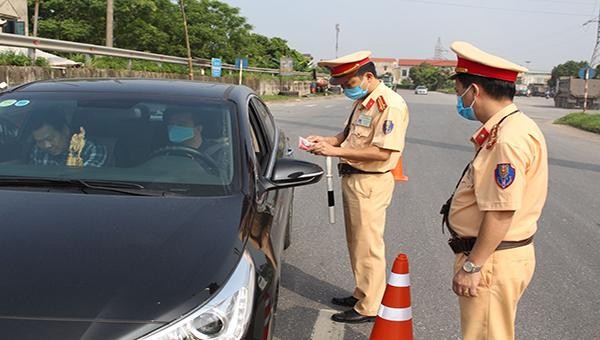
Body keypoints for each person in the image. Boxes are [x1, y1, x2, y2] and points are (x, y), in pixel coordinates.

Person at [441, 41, 548, 340]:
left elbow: (501, 210)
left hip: (491, 260)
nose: (459, 100)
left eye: (459, 92)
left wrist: (473, 266)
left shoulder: (506, 139)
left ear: (474, 91)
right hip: (498, 257)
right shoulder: (516, 126)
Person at [307, 51, 409, 323]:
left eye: (348, 84)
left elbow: (382, 154)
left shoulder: (390, 105)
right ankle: (363, 292)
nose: (345, 90)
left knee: (368, 245)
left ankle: (370, 307)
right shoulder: (365, 101)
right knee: (357, 243)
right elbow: (348, 136)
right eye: (341, 85)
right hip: (354, 179)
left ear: (368, 77)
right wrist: (327, 141)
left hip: (370, 182)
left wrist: (333, 152)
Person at [29, 112, 107, 167]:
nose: (47, 145)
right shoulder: (37, 150)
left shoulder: (91, 149)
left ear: (65, 130)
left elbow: (82, 182)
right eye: (40, 141)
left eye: (50, 138)